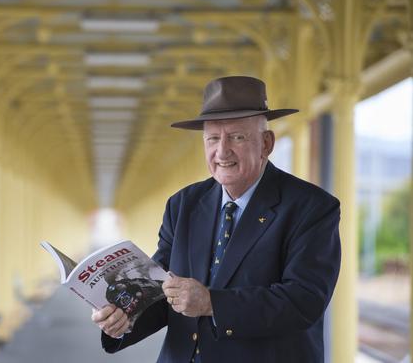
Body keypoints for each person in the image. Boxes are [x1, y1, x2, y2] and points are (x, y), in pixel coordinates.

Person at [91, 76, 341, 362]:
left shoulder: (311, 207)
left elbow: (303, 301)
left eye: (237, 137)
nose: (222, 151)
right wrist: (123, 320)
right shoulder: (183, 204)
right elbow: (162, 291)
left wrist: (211, 303)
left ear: (266, 143)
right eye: (212, 138)